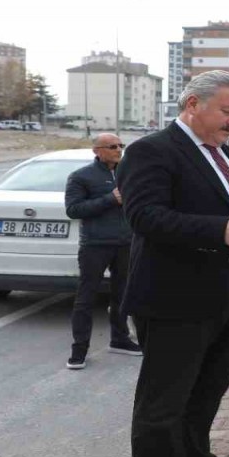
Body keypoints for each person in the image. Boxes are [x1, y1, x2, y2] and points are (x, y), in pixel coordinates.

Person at [117, 71, 229, 457]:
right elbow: (145, 216)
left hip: (227, 292)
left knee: (207, 391)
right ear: (191, 105)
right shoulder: (153, 151)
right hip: (174, 298)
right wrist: (217, 230)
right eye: (227, 110)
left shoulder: (227, 156)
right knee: (163, 403)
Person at [63, 133, 141, 369]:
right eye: (112, 146)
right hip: (95, 245)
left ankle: (120, 339)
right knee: (86, 298)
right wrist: (110, 199)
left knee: (122, 295)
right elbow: (74, 210)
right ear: (97, 150)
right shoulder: (81, 176)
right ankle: (79, 351)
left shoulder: (127, 173)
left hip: (125, 243)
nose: (119, 150)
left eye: (121, 145)